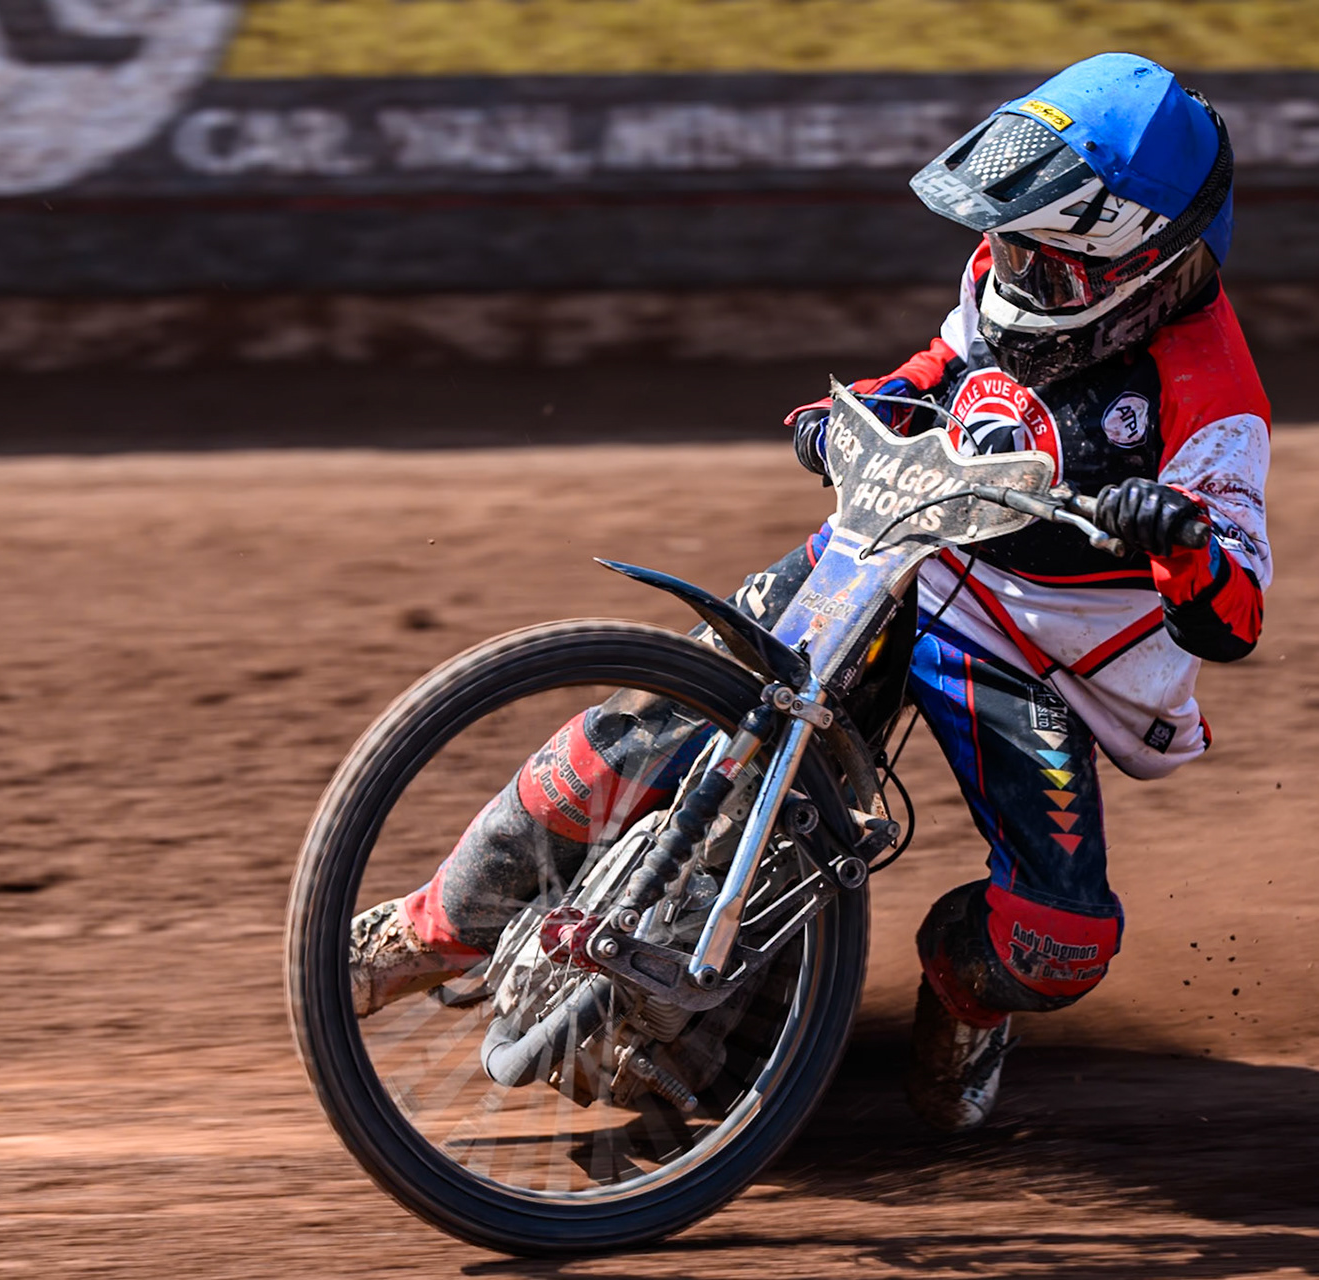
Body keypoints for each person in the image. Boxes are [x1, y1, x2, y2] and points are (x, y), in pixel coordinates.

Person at [349, 52, 1272, 1133]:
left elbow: (1236, 613)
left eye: (1045, 260)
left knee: (1060, 936)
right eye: (1007, 245)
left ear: (1138, 263)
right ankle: (432, 925)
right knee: (650, 718)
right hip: (900, 548)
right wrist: (851, 409)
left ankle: (964, 1001)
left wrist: (1180, 543)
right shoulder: (1012, 273)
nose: (1012, 271)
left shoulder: (1212, 396)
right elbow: (941, 372)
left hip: (1031, 645)